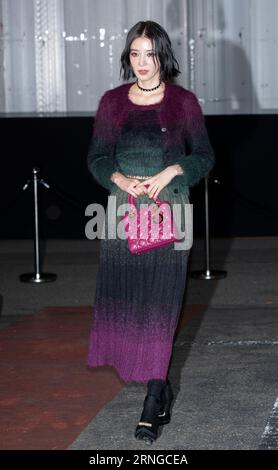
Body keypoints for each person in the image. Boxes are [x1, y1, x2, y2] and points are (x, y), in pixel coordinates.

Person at [86, 20, 215, 445]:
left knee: (162, 304)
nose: (142, 63)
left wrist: (175, 169)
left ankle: (153, 399)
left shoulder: (183, 102)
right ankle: (159, 385)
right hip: (122, 213)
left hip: (169, 211)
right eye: (135, 54)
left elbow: (204, 156)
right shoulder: (111, 103)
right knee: (132, 302)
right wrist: (120, 180)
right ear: (128, 57)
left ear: (164, 54)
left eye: (150, 54)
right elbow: (98, 158)